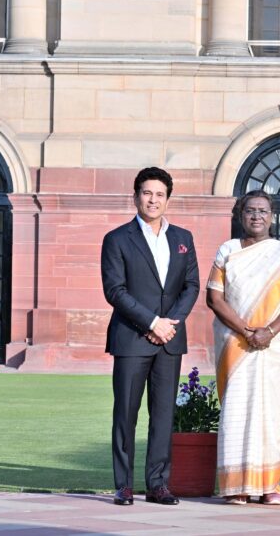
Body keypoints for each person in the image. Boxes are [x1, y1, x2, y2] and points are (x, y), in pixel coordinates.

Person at [205, 190, 280, 506]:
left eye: (262, 211)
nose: (256, 216)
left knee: (270, 412)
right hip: (236, 344)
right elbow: (214, 297)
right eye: (250, 211)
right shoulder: (228, 250)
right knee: (236, 410)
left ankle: (270, 485)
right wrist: (247, 331)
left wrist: (269, 331)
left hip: (274, 347)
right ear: (241, 216)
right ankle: (236, 486)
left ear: (273, 216)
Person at [101, 167, 200, 507]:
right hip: (131, 338)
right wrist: (152, 322)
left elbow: (191, 286)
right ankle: (124, 485)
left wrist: (170, 323)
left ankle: (158, 484)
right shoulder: (116, 239)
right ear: (136, 196)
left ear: (168, 199)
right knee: (125, 413)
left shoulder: (183, 238)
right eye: (147, 193)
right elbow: (115, 290)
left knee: (163, 416)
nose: (153, 199)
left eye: (159, 194)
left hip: (170, 340)